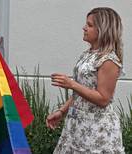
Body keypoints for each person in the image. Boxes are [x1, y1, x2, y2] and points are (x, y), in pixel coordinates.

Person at [46, 7, 125, 153]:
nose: (84, 28)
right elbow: (81, 92)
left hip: (96, 131)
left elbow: (103, 99)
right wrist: (62, 112)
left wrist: (71, 84)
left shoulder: (108, 60)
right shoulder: (88, 54)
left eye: (89, 25)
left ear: (102, 30)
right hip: (77, 126)